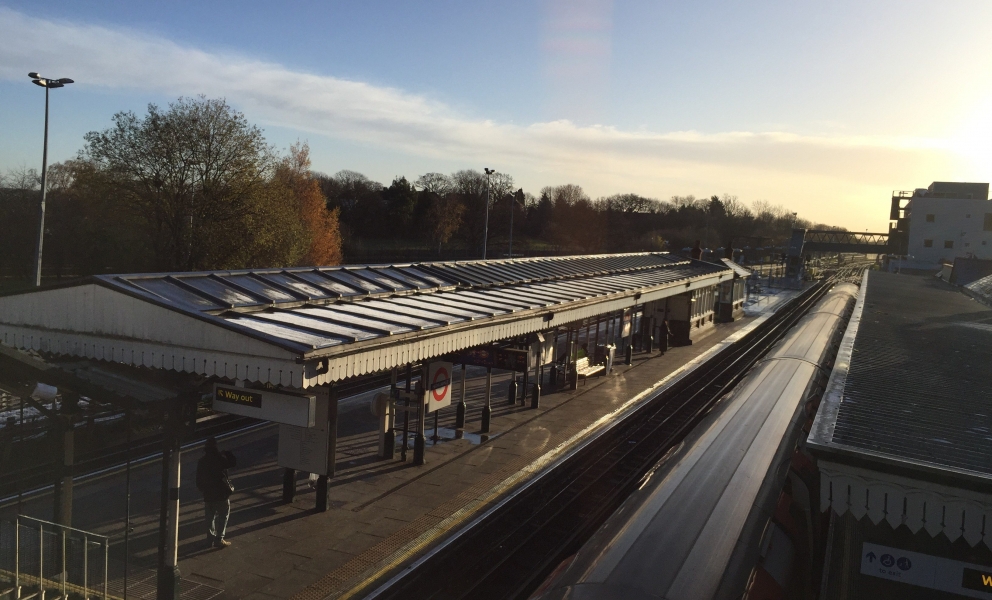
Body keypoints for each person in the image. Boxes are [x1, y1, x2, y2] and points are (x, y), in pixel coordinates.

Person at [195, 437, 236, 548]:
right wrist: (227, 453)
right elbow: (233, 463)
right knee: (223, 515)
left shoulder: (202, 461)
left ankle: (210, 539)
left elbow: (198, 479)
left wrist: (203, 489)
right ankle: (219, 539)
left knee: (210, 518)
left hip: (208, 494)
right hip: (221, 494)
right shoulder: (220, 459)